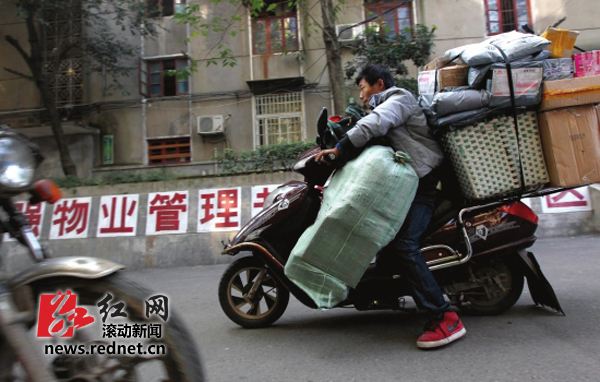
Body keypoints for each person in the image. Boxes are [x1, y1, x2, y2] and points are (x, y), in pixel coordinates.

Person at [314, 63, 466, 349]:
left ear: (379, 84)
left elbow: (375, 125)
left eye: (362, 88)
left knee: (403, 244)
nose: (361, 96)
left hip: (424, 184)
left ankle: (444, 317)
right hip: (410, 182)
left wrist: (340, 149)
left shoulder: (398, 101)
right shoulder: (386, 106)